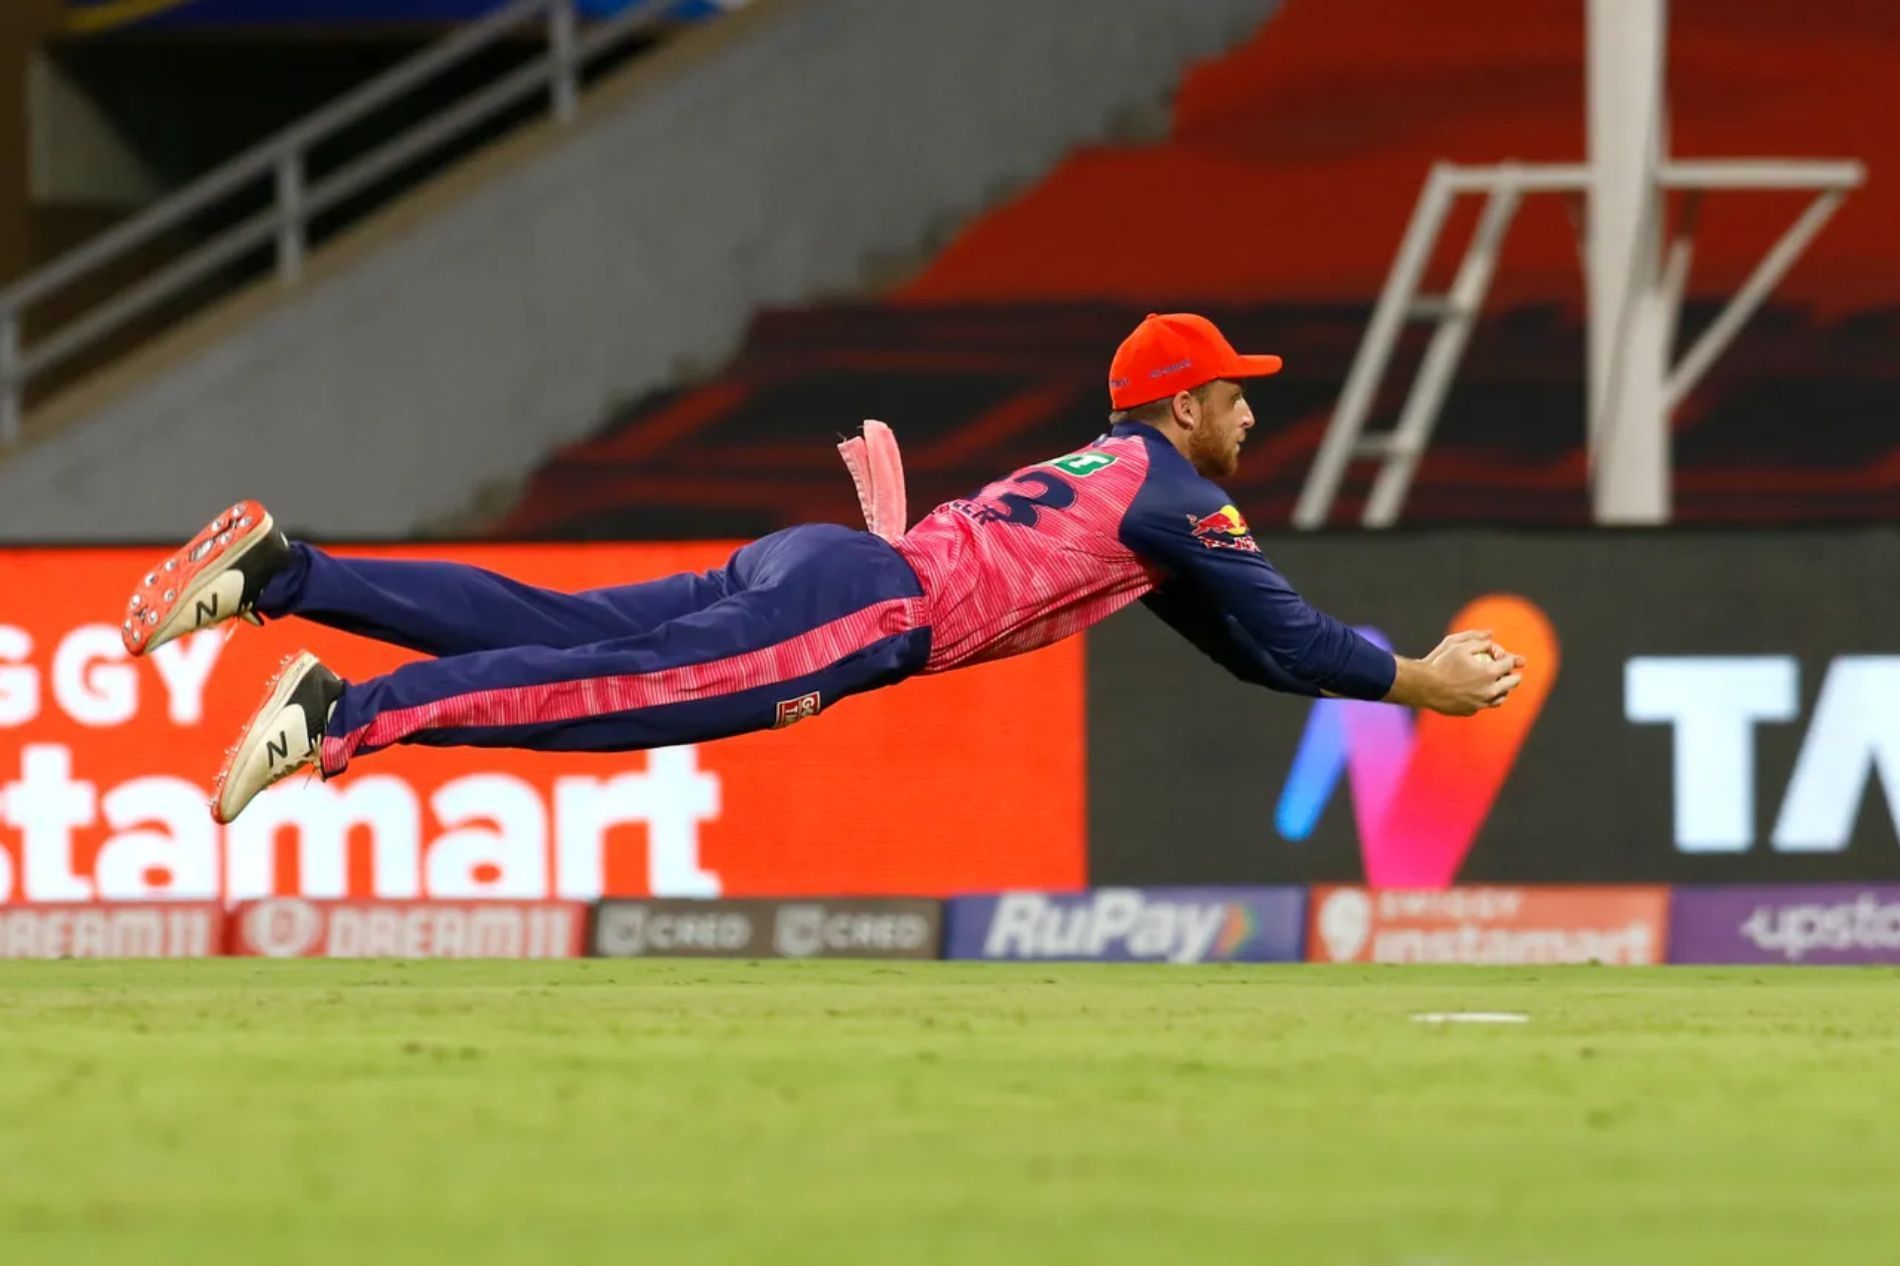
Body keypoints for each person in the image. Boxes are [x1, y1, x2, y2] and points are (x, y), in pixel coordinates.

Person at [121, 312, 1525, 824]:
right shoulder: (1171, 490)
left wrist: (888, 538)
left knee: (563, 624)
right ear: (1177, 406)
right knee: (613, 694)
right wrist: (1417, 678)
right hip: (862, 606)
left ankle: (290, 572)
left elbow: (1245, 646)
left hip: (831, 563)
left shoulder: (1123, 485)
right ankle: (342, 714)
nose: (1248, 414)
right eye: (1233, 394)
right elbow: (1278, 621)